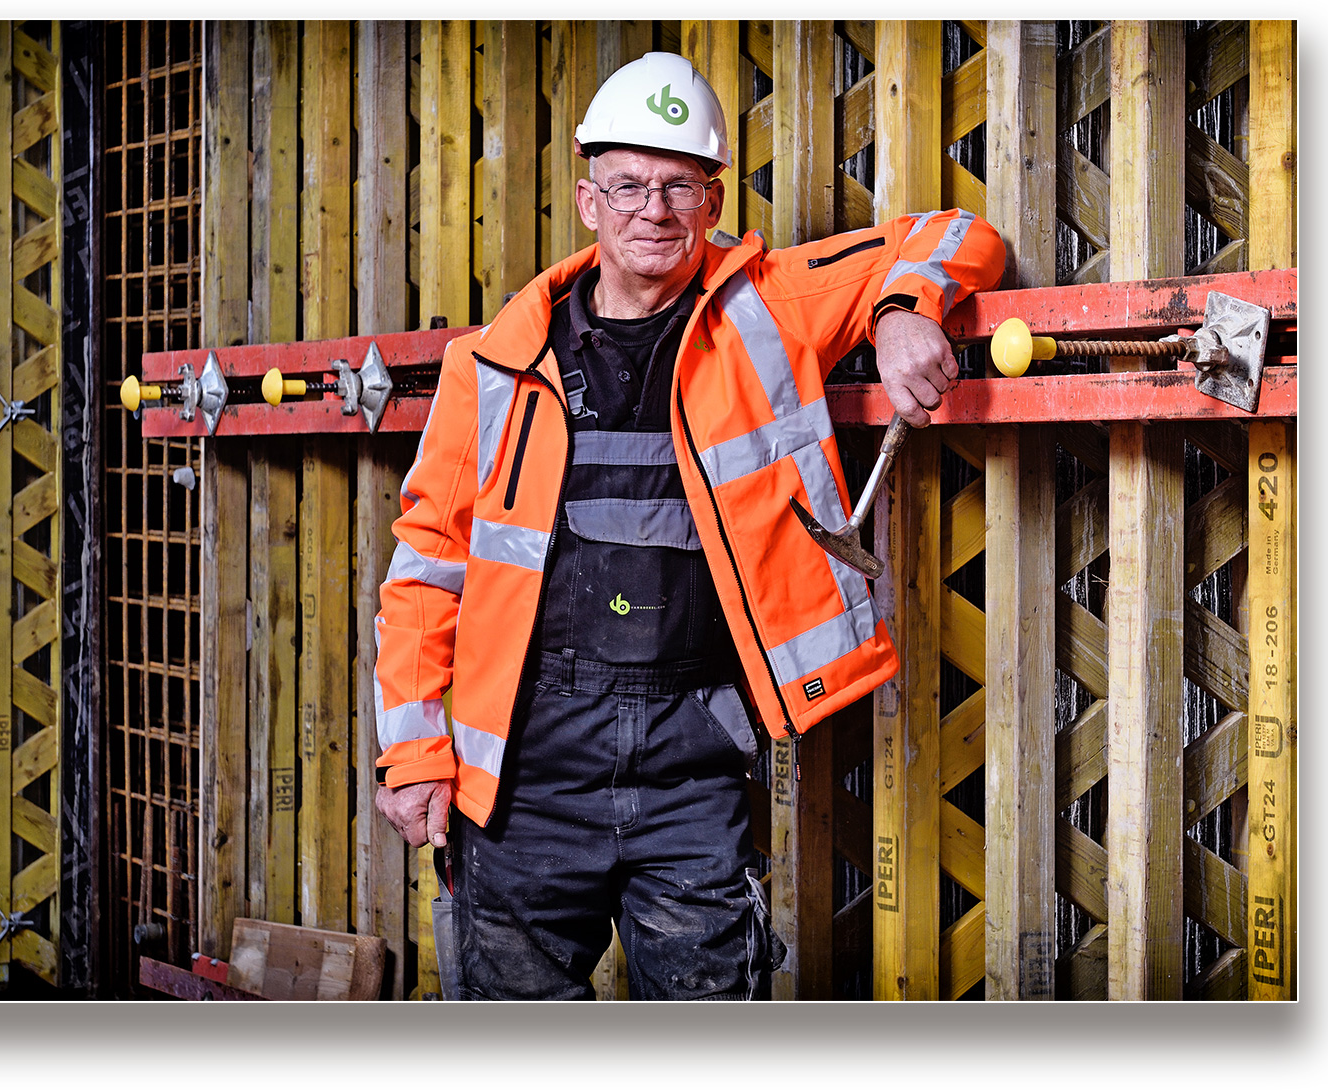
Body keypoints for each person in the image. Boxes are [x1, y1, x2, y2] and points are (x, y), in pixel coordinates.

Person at [371, 52, 1004, 1000]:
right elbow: (427, 568)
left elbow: (957, 233)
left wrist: (906, 311)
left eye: (679, 186)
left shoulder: (766, 307)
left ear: (711, 203)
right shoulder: (494, 363)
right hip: (530, 761)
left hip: (692, 754)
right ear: (588, 201)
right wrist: (416, 755)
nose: (652, 211)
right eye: (629, 186)